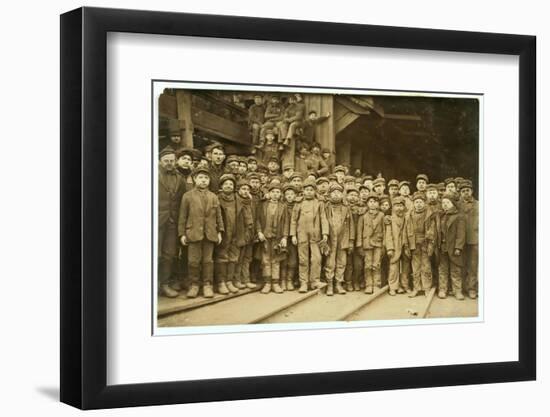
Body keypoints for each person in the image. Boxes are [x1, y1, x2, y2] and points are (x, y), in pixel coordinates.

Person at [178, 166, 224, 298]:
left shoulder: (214, 197)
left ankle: (207, 285)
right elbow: (182, 216)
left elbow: (218, 216)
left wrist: (219, 231)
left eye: (206, 178)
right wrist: (182, 234)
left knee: (208, 261)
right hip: (193, 233)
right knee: (193, 261)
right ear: (195, 179)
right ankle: (194, 285)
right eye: (201, 178)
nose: (203, 181)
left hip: (210, 234)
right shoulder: (187, 196)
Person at [290, 178, 329, 293]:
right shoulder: (298, 203)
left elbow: (323, 218)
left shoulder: (319, 203)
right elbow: (293, 220)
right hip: (301, 234)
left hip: (315, 235)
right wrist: (293, 235)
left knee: (316, 258)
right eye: (306, 190)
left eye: (311, 190)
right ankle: (303, 283)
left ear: (315, 191)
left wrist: (325, 233)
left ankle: (315, 281)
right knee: (303, 259)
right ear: (303, 191)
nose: (309, 192)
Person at [158, 146, 187, 298]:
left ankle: (165, 284)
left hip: (172, 222)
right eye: (166, 161)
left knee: (169, 254)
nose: (169, 163)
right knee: (154, 254)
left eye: (171, 160)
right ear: (159, 161)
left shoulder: (180, 178)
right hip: (155, 222)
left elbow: (183, 199)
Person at [256, 183, 288, 294]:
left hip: (277, 238)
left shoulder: (283, 206)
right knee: (265, 260)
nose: (275, 194)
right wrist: (259, 232)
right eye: (273, 192)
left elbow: (286, 223)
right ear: (269, 193)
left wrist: (284, 237)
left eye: (278, 192)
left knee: (276, 260)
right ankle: (267, 283)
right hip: (265, 237)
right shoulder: (263, 205)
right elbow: (258, 220)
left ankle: (275, 283)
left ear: (280, 194)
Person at [324, 183, 355, 296]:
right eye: (334, 193)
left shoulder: (346, 208)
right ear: (330, 194)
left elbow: (351, 225)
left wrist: (351, 241)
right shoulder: (326, 207)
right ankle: (330, 284)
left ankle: (338, 283)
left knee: (342, 261)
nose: (336, 195)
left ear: (342, 195)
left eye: (339, 193)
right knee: (330, 262)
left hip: (343, 239)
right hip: (330, 239)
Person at [405, 192, 436, 297]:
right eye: (416, 202)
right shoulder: (409, 215)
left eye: (420, 202)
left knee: (426, 266)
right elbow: (406, 231)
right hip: (414, 244)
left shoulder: (429, 214)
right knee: (415, 267)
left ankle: (427, 288)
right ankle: (416, 288)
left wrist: (430, 244)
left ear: (424, 203)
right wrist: (407, 245)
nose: (418, 204)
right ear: (413, 203)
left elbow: (432, 231)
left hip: (425, 244)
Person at [437, 192, 466, 300]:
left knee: (455, 270)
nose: (444, 204)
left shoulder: (459, 216)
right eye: (443, 202)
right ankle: (442, 290)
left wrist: (458, 247)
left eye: (447, 202)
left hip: (454, 248)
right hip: (442, 247)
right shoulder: (440, 215)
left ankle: (457, 291)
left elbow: (461, 234)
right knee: (442, 269)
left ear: (453, 203)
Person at [214, 174, 241, 295]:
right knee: (222, 257)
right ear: (221, 186)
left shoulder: (238, 199)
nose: (229, 186)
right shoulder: (217, 198)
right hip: (224, 232)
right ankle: (221, 282)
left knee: (234, 257)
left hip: (236, 232)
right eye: (226, 184)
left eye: (231, 184)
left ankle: (230, 281)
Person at [356, 192, 384, 294]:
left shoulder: (382, 215)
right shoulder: (363, 216)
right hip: (367, 243)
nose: (373, 204)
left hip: (378, 243)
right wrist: (359, 244)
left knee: (376, 264)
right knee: (367, 265)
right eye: (370, 202)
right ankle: (369, 285)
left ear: (378, 204)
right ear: (367, 203)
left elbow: (385, 231)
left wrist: (384, 244)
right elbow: (359, 231)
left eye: (375, 202)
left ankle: (376, 284)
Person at [384, 196, 410, 295]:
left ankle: (405, 285)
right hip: (395, 246)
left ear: (404, 207)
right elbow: (388, 235)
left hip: (406, 245)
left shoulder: (407, 217)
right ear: (393, 207)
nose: (399, 208)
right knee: (394, 266)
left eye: (401, 206)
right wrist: (390, 248)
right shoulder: (390, 219)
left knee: (406, 267)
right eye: (397, 206)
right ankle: (393, 287)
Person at [233, 179, 257, 290]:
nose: (245, 191)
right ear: (238, 190)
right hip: (239, 233)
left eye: (247, 189)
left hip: (249, 233)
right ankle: (236, 280)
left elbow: (254, 218)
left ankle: (246, 279)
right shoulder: (235, 201)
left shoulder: (251, 202)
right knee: (239, 258)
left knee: (247, 258)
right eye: (243, 189)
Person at [458, 179, 479, 299]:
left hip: (474, 239)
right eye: (463, 191)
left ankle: (472, 289)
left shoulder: (478, 204)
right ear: (460, 193)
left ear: (472, 191)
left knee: (473, 265)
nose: (465, 192)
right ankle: (460, 289)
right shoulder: (457, 205)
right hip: (460, 241)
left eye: (467, 190)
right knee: (461, 264)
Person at [343, 186, 366, 291]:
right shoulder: (343, 208)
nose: (353, 197)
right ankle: (348, 283)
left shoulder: (362, 209)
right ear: (347, 196)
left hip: (359, 240)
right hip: (346, 239)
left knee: (358, 264)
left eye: (356, 195)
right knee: (348, 264)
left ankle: (356, 280)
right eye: (351, 195)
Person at [281, 184, 299, 290]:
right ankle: (283, 280)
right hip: (283, 236)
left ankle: (289, 280)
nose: (289, 196)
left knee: (293, 259)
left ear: (295, 195)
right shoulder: (281, 206)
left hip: (295, 237)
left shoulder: (298, 206)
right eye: (287, 194)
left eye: (292, 194)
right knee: (283, 258)